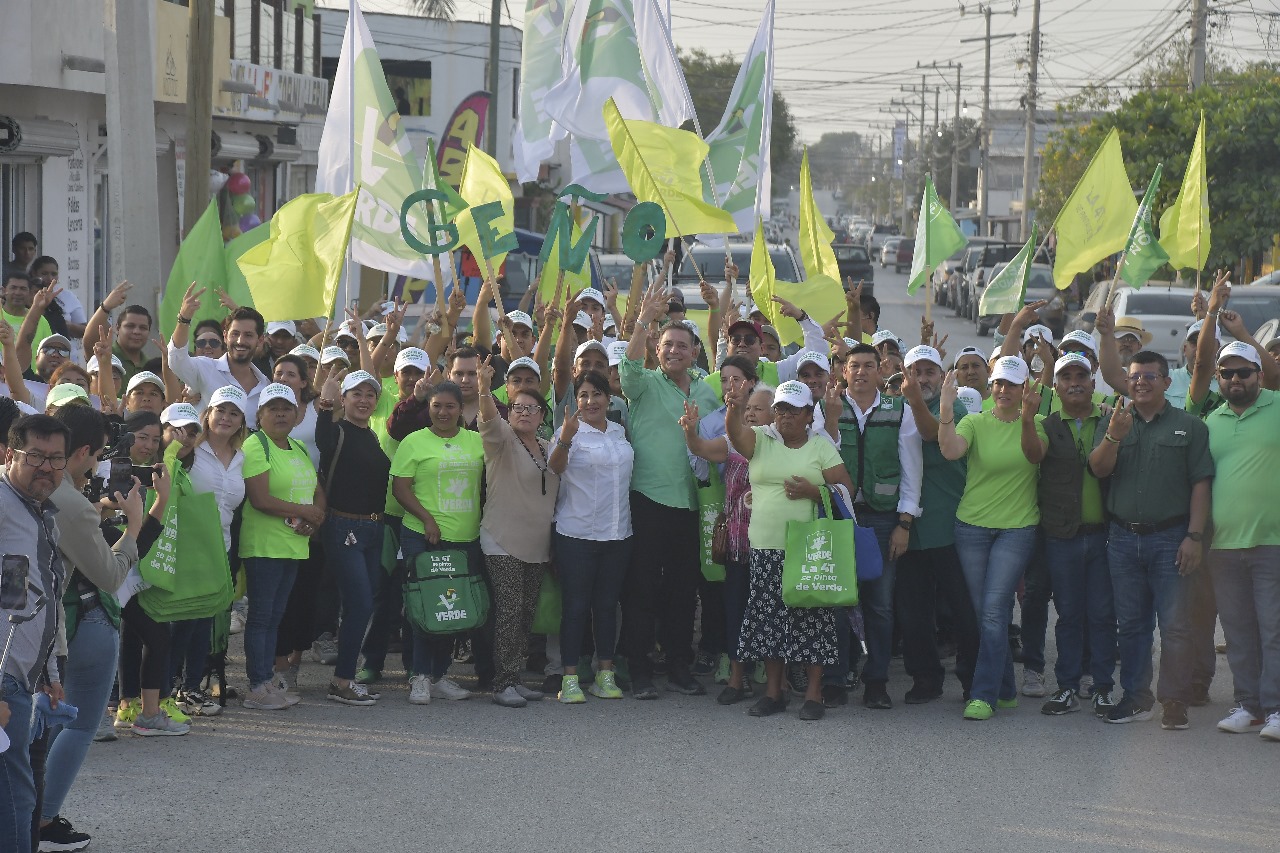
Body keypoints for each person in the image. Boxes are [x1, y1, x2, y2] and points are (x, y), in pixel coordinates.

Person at [37, 405, 152, 851]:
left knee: (31, 726)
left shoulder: (25, 487)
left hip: (30, 625)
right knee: (80, 724)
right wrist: (135, 525)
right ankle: (42, 820)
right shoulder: (69, 501)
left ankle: (27, 813)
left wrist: (97, 511)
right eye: (101, 454)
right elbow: (109, 573)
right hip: (73, 621)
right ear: (82, 451)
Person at [1088, 350, 1213, 729]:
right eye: (1135, 376)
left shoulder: (1190, 426)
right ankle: (1135, 697)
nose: (1140, 382)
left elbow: (1201, 484)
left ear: (1166, 382)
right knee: (1132, 625)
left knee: (1176, 624)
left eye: (1149, 376)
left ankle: (1174, 701)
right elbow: (1097, 468)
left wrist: (1194, 536)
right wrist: (1114, 436)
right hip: (1123, 538)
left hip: (1171, 537)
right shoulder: (1113, 421)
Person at [727, 381, 854, 721]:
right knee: (770, 620)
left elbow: (847, 489)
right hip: (766, 546)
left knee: (812, 620)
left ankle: (813, 694)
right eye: (780, 409)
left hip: (809, 548)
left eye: (793, 411)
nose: (784, 416)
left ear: (809, 415)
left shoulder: (820, 446)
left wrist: (816, 491)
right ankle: (774, 692)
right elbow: (735, 435)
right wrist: (734, 409)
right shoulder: (762, 439)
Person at [618, 278, 720, 699]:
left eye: (682, 345)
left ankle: (679, 665)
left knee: (683, 590)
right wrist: (643, 318)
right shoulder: (642, 385)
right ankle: (637, 669)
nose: (674, 351)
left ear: (695, 352)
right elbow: (627, 365)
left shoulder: (707, 393)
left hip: (691, 503)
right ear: (655, 351)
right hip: (647, 501)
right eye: (667, 345)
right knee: (641, 590)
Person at [938, 356, 1047, 721]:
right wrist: (945, 409)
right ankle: (1005, 688)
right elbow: (951, 450)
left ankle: (983, 695)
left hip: (1017, 529)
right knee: (985, 613)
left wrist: (1029, 419)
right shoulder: (974, 421)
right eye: (999, 383)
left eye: (1011, 385)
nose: (1003, 390)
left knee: (994, 611)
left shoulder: (1039, 423)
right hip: (971, 527)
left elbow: (1034, 456)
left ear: (1024, 389)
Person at [831, 342, 923, 709]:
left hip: (885, 519)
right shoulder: (830, 407)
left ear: (881, 370)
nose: (861, 372)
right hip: (841, 517)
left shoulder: (899, 410)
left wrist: (905, 521)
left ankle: (877, 681)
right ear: (844, 371)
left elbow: (911, 468)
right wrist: (829, 420)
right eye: (854, 365)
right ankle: (837, 678)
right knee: (837, 600)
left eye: (869, 365)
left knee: (880, 605)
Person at [1029, 354, 1117, 717]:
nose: (1075, 382)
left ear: (1093, 382)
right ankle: (1066, 686)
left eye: (1082, 375)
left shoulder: (1111, 420)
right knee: (1067, 615)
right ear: (1057, 386)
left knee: (1101, 614)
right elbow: (1033, 456)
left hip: (1104, 535)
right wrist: (1025, 415)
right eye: (1066, 376)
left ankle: (1101, 686)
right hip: (1061, 535)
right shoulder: (1045, 424)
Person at [681, 384, 776, 704]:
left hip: (774, 547)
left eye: (758, 408)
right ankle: (737, 679)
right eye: (747, 408)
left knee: (772, 615)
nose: (750, 413)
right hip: (738, 546)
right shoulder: (732, 444)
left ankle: (778, 682)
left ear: (776, 414)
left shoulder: (784, 445)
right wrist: (691, 432)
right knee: (736, 612)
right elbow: (700, 449)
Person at [391, 381, 485, 705]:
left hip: (466, 538)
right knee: (423, 607)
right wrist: (428, 519)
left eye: (450, 406)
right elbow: (400, 489)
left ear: (461, 410)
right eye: (437, 406)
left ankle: (441, 674)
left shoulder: (476, 440)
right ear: (428, 408)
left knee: (452, 609)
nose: (443, 412)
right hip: (422, 534)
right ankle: (419, 675)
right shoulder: (414, 442)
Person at [1204, 341, 1280, 740]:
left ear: (1259, 375)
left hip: (1273, 542)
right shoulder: (1211, 421)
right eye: (1227, 373)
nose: (1235, 379)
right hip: (1223, 547)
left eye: (1243, 372)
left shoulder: (1278, 406)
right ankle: (1248, 705)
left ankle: (1276, 709)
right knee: (1237, 633)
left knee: (1273, 630)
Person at [0, 414, 70, 852]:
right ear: (10, 455)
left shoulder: (41, 513)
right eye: (36, 457)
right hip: (3, 679)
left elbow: (28, 596)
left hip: (23, 676)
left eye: (56, 459)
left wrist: (49, 668)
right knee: (14, 799)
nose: (46, 468)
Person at [896, 346, 979, 705]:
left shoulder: (953, 407)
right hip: (911, 528)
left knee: (962, 610)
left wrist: (915, 401)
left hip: (950, 525)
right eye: (916, 371)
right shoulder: (897, 407)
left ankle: (973, 680)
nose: (923, 379)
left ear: (942, 377)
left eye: (930, 371)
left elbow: (932, 435)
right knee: (914, 613)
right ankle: (925, 678)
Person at [477, 357, 560, 707]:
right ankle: (503, 682)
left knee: (526, 611)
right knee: (509, 610)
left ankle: (516, 674)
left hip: (536, 543)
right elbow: (487, 419)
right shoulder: (502, 439)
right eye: (517, 407)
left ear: (542, 415)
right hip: (501, 539)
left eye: (532, 408)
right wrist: (483, 389)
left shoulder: (546, 447)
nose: (524, 413)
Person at [547, 371, 633, 704]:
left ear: (609, 399)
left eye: (597, 394)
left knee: (608, 607)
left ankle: (605, 674)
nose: (590, 401)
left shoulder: (618, 432)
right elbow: (554, 468)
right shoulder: (568, 431)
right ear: (576, 400)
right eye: (583, 395)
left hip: (618, 533)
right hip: (576, 534)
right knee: (576, 607)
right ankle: (569, 678)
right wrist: (567, 438)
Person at [239, 383, 324, 711]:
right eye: (272, 408)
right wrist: (303, 512)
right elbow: (260, 499)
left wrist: (314, 518)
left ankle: (268, 679)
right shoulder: (255, 445)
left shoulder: (298, 447)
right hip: (264, 545)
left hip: (293, 544)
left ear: (296, 414)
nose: (280, 414)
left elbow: (317, 490)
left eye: (286, 408)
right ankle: (257, 686)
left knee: (275, 617)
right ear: (260, 415)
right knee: (261, 617)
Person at [310, 369, 390, 707]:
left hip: (373, 529)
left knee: (363, 604)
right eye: (356, 394)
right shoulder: (338, 431)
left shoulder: (370, 435)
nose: (364, 400)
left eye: (370, 395)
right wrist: (326, 403)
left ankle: (347, 676)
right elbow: (322, 441)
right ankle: (342, 681)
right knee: (359, 603)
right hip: (344, 528)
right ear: (345, 399)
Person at [167, 387, 247, 718]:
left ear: (242, 420)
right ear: (208, 414)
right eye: (220, 411)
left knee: (203, 623)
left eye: (234, 413)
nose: (226, 418)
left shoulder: (244, 457)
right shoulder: (191, 453)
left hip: (221, 550)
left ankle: (191, 688)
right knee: (180, 623)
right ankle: (166, 690)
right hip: (185, 549)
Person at [168, 286, 269, 426]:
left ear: (260, 340)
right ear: (225, 336)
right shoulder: (205, 368)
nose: (240, 341)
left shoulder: (265, 386)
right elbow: (176, 360)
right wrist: (184, 319)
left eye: (248, 335)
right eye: (235, 334)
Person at [2, 269, 52, 362]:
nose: (18, 292)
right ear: (4, 290)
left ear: (29, 293)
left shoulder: (41, 320)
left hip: (32, 376)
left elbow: (50, 353)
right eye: (13, 288)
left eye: (23, 289)